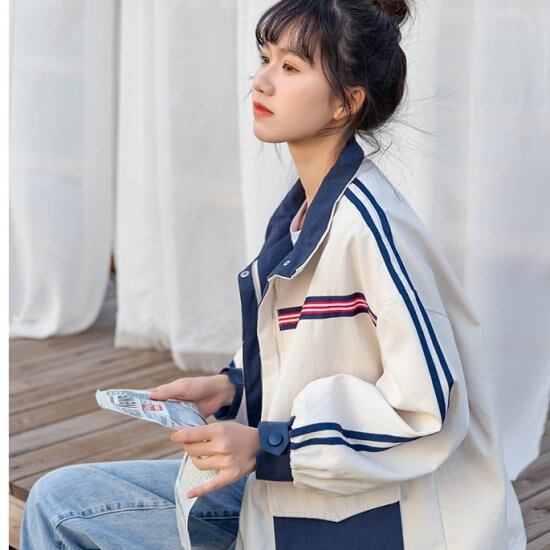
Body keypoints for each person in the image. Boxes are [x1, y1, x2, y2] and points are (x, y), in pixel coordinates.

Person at [20, 0, 528, 548]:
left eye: (290, 67)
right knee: (60, 501)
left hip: (385, 527)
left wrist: (268, 446)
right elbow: (312, 352)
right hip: (299, 499)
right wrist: (230, 387)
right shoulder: (303, 216)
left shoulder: (368, 230)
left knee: (63, 511)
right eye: (265, 58)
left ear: (346, 103)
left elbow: (427, 409)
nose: (260, 81)